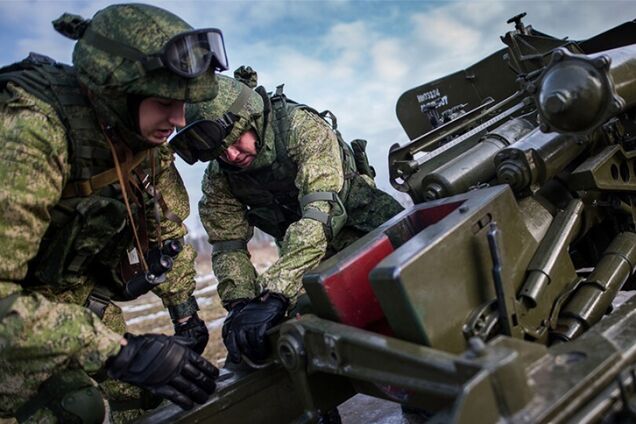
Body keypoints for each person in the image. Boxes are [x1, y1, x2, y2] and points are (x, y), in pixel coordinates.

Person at [0, 4, 226, 423]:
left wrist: (185, 314)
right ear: (114, 92)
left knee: (148, 397)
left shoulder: (136, 138)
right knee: (78, 409)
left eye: (182, 104)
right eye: (164, 102)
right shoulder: (29, 135)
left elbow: (165, 232)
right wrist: (117, 351)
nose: (177, 120)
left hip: (62, 305)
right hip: (14, 319)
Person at [171, 71, 404, 366]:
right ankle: (316, 406)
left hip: (372, 233)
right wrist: (241, 305)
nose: (231, 155)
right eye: (220, 151)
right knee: (287, 335)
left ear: (252, 118)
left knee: (400, 311)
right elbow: (227, 244)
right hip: (305, 257)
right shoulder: (220, 179)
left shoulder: (301, 127)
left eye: (236, 140)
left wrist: (275, 292)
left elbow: (318, 215)